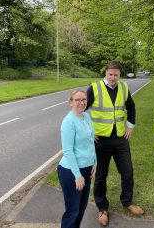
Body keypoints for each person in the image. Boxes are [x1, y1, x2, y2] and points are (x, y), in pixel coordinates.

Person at [86, 60, 144, 226]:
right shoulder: (94, 88)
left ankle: (127, 202)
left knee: (127, 172)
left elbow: (131, 108)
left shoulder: (124, 88)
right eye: (110, 74)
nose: (112, 78)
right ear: (106, 73)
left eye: (116, 75)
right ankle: (102, 208)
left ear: (120, 75)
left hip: (120, 138)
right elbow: (81, 110)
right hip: (100, 140)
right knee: (100, 175)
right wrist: (89, 133)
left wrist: (130, 127)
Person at [57, 89, 97, 228]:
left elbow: (91, 141)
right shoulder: (68, 122)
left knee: (81, 208)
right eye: (77, 100)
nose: (81, 102)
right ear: (70, 102)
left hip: (87, 168)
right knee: (72, 211)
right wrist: (78, 176)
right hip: (71, 172)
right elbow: (67, 151)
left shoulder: (86, 116)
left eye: (84, 99)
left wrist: (94, 162)